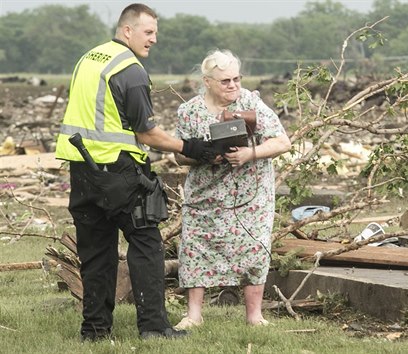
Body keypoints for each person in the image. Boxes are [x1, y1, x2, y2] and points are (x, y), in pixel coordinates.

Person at [55, 3, 215, 340]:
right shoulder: (130, 69)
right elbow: (147, 134)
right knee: (146, 243)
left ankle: (95, 331)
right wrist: (190, 147)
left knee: (96, 252)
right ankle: (154, 327)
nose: (154, 39)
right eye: (149, 32)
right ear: (128, 30)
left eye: (156, 32)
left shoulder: (89, 58)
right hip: (118, 171)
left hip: (82, 172)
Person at [174, 49, 291, 329]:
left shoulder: (251, 102)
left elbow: (282, 141)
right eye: (225, 80)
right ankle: (193, 315)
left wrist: (251, 153)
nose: (233, 85)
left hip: (251, 196)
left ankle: (254, 315)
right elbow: (178, 154)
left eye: (237, 78)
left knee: (254, 249)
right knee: (196, 248)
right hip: (205, 196)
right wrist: (205, 155)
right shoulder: (189, 111)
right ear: (208, 81)